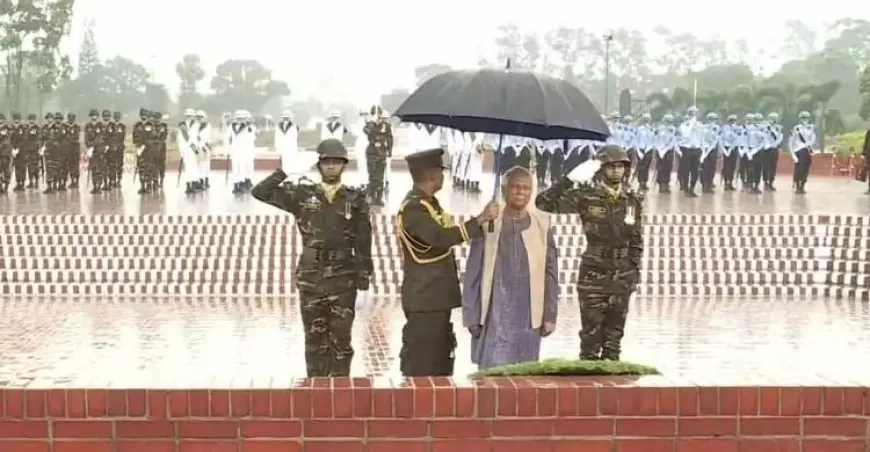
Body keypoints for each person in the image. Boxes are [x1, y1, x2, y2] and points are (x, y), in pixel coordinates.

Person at [251, 138, 372, 377]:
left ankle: (339, 395)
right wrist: (284, 171)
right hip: (311, 276)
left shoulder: (354, 199)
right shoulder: (302, 195)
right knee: (314, 341)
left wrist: (364, 280)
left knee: (341, 342)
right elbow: (260, 192)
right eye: (326, 162)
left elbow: (364, 242)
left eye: (336, 162)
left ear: (344, 166)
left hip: (343, 277)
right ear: (319, 165)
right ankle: (316, 395)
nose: (331, 167)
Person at [535, 145, 644, 361]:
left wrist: (634, 271)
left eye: (620, 166)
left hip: (622, 275)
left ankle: (612, 388)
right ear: (600, 169)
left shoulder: (633, 199)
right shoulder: (586, 196)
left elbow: (636, 238)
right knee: (591, 339)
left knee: (614, 339)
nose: (615, 171)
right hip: (594, 274)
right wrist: (568, 180)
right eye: (610, 166)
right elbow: (543, 203)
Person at [397, 148, 499, 376]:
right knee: (422, 363)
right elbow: (441, 238)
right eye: (441, 173)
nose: (443, 177)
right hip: (424, 298)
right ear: (432, 175)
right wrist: (480, 219)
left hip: (435, 297)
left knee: (439, 358)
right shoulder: (414, 208)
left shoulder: (429, 203)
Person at [462, 166, 559, 369]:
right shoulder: (490, 224)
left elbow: (550, 272)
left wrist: (549, 315)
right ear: (504, 190)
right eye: (515, 187)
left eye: (526, 188)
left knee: (524, 376)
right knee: (492, 375)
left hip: (528, 315)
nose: (520, 192)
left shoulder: (542, 225)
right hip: (494, 314)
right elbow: (473, 273)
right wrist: (471, 315)